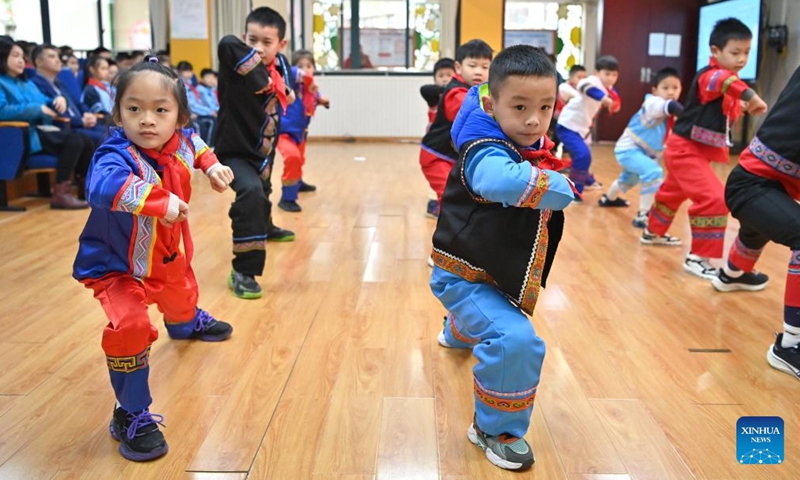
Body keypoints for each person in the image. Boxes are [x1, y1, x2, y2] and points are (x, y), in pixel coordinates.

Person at [72, 58, 235, 462]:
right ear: (118, 113)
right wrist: (161, 202)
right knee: (130, 325)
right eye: (134, 109)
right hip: (117, 267)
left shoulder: (181, 139)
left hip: (168, 253)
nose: (147, 120)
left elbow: (197, 144)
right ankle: (130, 413)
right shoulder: (114, 153)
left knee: (181, 295)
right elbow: (103, 186)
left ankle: (185, 322)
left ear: (179, 115)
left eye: (160, 110)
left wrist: (213, 167)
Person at [430, 45, 576, 471]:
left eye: (545, 107)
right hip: (463, 278)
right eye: (520, 106)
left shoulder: (526, 138)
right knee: (516, 341)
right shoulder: (485, 149)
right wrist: (558, 184)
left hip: (489, 268)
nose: (534, 119)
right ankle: (495, 429)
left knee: (489, 310)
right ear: (492, 105)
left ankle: (458, 328)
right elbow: (497, 180)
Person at [642, 18, 768, 280]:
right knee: (714, 199)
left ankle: (652, 231)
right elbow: (722, 82)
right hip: (685, 150)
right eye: (735, 52)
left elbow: (724, 101)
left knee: (671, 193)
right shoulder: (711, 75)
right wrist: (751, 97)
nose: (742, 58)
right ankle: (698, 257)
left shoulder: (726, 78)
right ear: (715, 51)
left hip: (686, 149)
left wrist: (740, 106)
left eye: (746, 52)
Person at [711, 67, 800, 377]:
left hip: (761, 182)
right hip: (751, 185)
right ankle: (790, 346)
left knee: (757, 229)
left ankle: (731, 274)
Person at [214, 6, 296, 299]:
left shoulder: (282, 64)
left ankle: (266, 226)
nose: (258, 49)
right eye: (252, 40)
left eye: (266, 42)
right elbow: (226, 43)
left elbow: (288, 84)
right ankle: (243, 271)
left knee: (263, 189)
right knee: (251, 193)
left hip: (263, 149)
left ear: (281, 45)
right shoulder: (237, 63)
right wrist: (265, 80)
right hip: (233, 152)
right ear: (244, 38)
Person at [0, 39, 92, 209]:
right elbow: (2, 110)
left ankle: (84, 189)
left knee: (84, 140)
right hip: (21, 135)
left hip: (40, 130)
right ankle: (61, 194)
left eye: (22, 56)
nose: (21, 60)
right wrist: (37, 109)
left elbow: (45, 102)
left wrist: (58, 99)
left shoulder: (25, 82)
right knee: (75, 140)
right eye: (15, 56)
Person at [598, 67, 684, 227]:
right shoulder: (653, 102)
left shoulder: (669, 114)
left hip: (638, 153)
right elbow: (671, 106)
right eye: (665, 88)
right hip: (628, 150)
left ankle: (608, 199)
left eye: (675, 88)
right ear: (655, 90)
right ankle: (643, 215)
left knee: (628, 180)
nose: (671, 92)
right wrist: (686, 115)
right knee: (653, 172)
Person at [420, 39, 492, 218]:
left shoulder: (482, 90)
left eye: (485, 67)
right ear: (458, 68)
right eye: (472, 65)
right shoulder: (456, 92)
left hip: (454, 158)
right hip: (436, 157)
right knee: (450, 199)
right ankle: (449, 237)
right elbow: (468, 113)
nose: (478, 71)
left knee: (462, 199)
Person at [556, 55, 621, 195]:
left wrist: (613, 105)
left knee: (583, 156)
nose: (611, 78)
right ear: (596, 73)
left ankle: (587, 181)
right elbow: (582, 85)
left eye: (614, 75)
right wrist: (604, 99)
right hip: (568, 125)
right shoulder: (593, 81)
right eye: (607, 74)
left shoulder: (608, 88)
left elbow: (616, 103)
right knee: (583, 155)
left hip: (581, 129)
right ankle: (574, 191)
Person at [277, 49, 329, 212]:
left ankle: (297, 182)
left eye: (309, 66)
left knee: (300, 159)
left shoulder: (311, 89)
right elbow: (293, 72)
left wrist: (322, 101)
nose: (305, 69)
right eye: (301, 66)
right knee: (292, 158)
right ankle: (287, 198)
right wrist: (305, 76)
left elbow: (313, 102)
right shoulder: (290, 82)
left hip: (300, 132)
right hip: (283, 132)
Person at [29, 44, 106, 144]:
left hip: (83, 124)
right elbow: (55, 111)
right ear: (38, 62)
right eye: (52, 56)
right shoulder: (35, 84)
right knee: (107, 138)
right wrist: (80, 121)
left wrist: (89, 114)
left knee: (118, 133)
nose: (58, 60)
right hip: (67, 129)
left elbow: (78, 104)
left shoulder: (60, 83)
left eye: (58, 57)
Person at [176, 60, 217, 147]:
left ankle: (209, 146)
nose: (188, 74)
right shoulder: (181, 86)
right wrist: (209, 111)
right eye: (185, 71)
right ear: (179, 72)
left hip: (196, 113)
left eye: (189, 71)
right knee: (207, 122)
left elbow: (198, 102)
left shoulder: (190, 85)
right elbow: (191, 105)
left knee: (211, 121)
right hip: (189, 114)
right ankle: (205, 147)